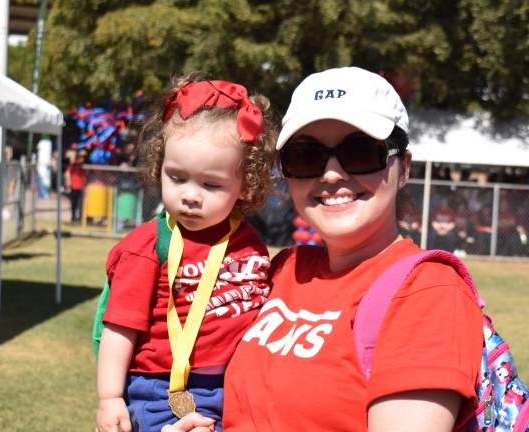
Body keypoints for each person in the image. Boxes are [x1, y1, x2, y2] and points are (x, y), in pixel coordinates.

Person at [163, 67, 483, 432]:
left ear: (403, 166)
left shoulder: (427, 290)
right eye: (307, 156)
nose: (331, 174)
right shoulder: (283, 269)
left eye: (361, 151)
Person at [95, 73, 276, 432]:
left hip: (235, 388)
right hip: (160, 390)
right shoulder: (146, 248)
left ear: (245, 184)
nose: (191, 195)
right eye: (177, 177)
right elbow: (119, 329)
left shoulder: (250, 244)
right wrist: (110, 397)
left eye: (211, 184)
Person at [65, 149, 87, 223]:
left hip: (81, 187)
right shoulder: (74, 164)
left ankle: (80, 218)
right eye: (81, 157)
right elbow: (67, 173)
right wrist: (68, 183)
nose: (82, 159)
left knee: (81, 203)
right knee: (74, 203)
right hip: (74, 186)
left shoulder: (84, 166)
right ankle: (73, 217)